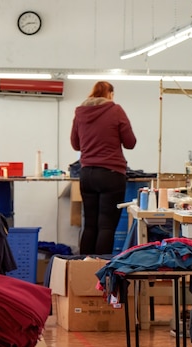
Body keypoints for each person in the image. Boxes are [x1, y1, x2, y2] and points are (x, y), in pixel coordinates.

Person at [70, 81, 137, 255]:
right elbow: (130, 143)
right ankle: (101, 270)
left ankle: (83, 267)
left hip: (87, 174)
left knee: (90, 224)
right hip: (111, 174)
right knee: (106, 225)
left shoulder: (80, 112)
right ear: (110, 94)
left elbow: (75, 144)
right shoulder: (115, 110)